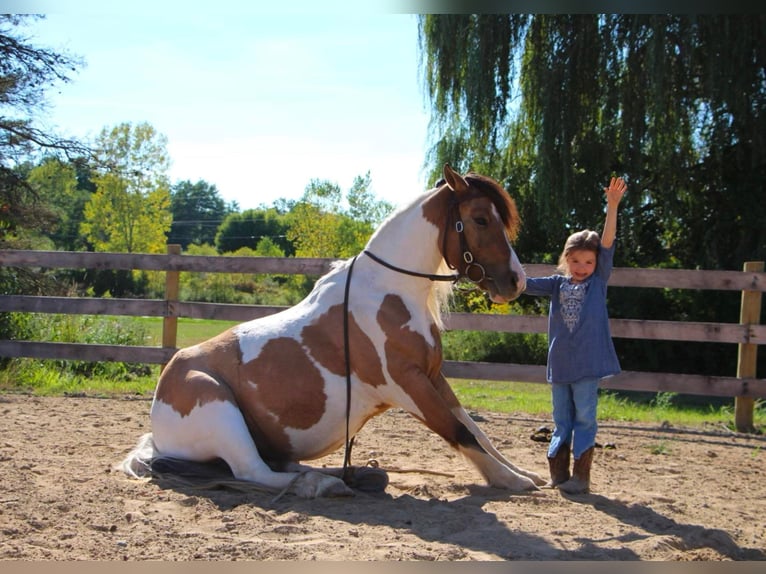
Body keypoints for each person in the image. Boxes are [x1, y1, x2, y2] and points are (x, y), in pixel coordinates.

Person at [523, 176, 627, 494]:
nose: (582, 267)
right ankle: (559, 474)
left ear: (597, 264)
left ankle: (581, 478)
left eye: (589, 262)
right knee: (561, 419)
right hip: (561, 364)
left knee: (585, 417)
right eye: (576, 260)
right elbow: (520, 283)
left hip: (588, 364)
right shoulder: (556, 284)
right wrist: (494, 280)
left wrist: (612, 207)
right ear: (566, 259)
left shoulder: (598, 282)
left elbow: (607, 241)